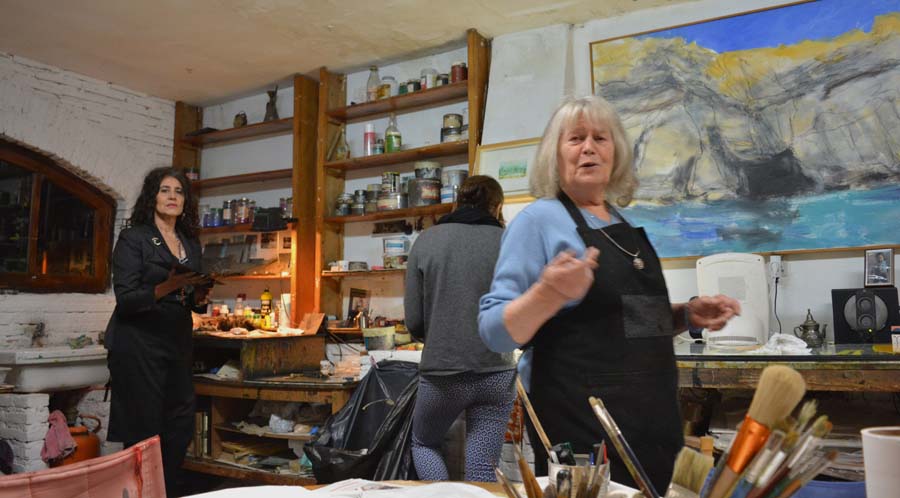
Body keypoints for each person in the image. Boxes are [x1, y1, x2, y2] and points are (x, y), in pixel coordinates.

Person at [478, 96, 741, 491]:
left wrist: (686, 315)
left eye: (600, 138)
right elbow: (494, 332)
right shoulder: (539, 221)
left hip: (652, 423)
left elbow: (623, 321)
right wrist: (548, 293)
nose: (589, 148)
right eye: (576, 138)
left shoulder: (622, 222)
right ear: (554, 154)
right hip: (581, 430)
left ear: (615, 152)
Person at [104, 167, 211, 496]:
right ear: (153, 197)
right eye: (165, 190)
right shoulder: (134, 238)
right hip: (138, 343)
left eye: (179, 191)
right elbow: (126, 300)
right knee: (144, 428)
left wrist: (199, 299)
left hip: (177, 343)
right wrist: (169, 286)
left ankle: (166, 490)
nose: (172, 197)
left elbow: (189, 299)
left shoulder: (190, 244)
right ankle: (140, 492)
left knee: (180, 424)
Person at [405, 175, 517, 482]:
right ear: (497, 206)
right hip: (497, 371)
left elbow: (414, 321)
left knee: (424, 443)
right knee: (482, 465)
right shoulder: (508, 241)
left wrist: (440, 335)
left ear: (458, 202)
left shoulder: (427, 240)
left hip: (443, 372)